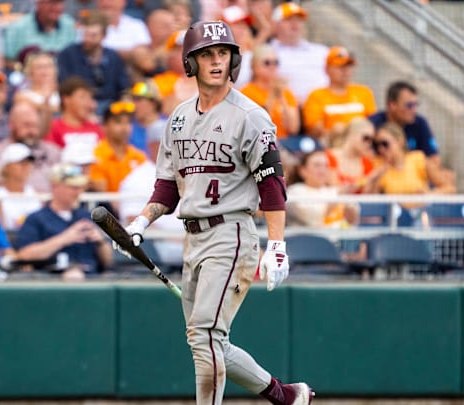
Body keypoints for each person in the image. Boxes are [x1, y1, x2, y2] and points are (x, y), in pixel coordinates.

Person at [114, 21, 313, 405]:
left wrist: (277, 245)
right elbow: (169, 185)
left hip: (231, 233)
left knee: (204, 336)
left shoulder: (251, 116)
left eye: (223, 53)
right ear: (191, 63)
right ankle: (286, 395)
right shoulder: (178, 118)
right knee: (207, 340)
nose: (217, 60)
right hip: (193, 236)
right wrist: (141, 223)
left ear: (234, 59)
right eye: (207, 54)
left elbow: (271, 184)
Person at [14, 163, 113, 276]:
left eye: (81, 187)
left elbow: (108, 262)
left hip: (92, 277)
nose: (78, 192)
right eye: (73, 187)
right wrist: (65, 238)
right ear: (55, 186)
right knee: (74, 275)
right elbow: (24, 255)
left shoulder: (87, 216)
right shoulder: (36, 219)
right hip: (54, 281)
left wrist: (100, 241)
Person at [56, 11, 130, 114]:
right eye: (85, 34)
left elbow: (124, 88)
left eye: (93, 36)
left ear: (103, 36)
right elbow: (65, 87)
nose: (88, 39)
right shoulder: (68, 55)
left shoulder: (113, 57)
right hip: (78, 107)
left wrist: (125, 101)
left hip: (110, 107)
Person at [302, 46, 377, 145]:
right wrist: (335, 132)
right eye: (340, 66)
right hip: (331, 145)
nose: (345, 70)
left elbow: (373, 123)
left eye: (348, 66)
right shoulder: (316, 95)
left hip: (362, 144)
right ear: (327, 70)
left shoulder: (364, 92)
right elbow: (314, 131)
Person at [0, 101, 61, 192]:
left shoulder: (53, 151)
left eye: (35, 126)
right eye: (26, 125)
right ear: (11, 126)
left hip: (48, 203)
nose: (32, 131)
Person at [365, 122, 456, 196]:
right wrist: (375, 177)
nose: (381, 149)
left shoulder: (417, 159)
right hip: (393, 216)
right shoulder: (377, 164)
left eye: (385, 144)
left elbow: (449, 188)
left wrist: (430, 195)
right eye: (377, 145)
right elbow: (371, 198)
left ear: (400, 141)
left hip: (420, 213)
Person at [368, 80, 442, 166]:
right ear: (392, 105)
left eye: (416, 104)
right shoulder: (373, 125)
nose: (414, 110)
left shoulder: (419, 123)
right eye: (409, 105)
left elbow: (434, 159)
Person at [269, 2, 328, 104]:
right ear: (275, 24)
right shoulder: (267, 53)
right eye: (288, 19)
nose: (295, 24)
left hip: (326, 107)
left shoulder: (322, 51)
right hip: (288, 109)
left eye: (299, 20)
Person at [286, 150, 359, 228]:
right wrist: (339, 197)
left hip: (342, 237)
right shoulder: (294, 192)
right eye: (317, 165)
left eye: (326, 166)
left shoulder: (335, 191)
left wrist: (347, 201)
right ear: (303, 171)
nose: (322, 170)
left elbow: (352, 221)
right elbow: (313, 219)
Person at [241, 44, 299, 138]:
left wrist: (281, 98)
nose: (272, 66)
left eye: (276, 62)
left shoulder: (286, 92)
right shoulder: (246, 92)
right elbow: (258, 126)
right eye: (267, 63)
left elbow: (293, 128)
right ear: (254, 67)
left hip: (284, 142)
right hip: (260, 143)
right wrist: (271, 96)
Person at [88, 100, 146, 192]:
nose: (124, 127)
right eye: (118, 122)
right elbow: (102, 189)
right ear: (104, 126)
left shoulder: (139, 157)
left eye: (128, 122)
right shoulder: (95, 156)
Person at [2, 0, 77, 63]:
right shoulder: (18, 27)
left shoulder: (69, 25)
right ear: (38, 3)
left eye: (60, 3)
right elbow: (7, 60)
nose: (56, 7)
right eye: (51, 3)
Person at [0, 143, 42, 230]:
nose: (26, 166)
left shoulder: (39, 196)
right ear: (6, 166)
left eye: (28, 162)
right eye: (20, 162)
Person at [45, 77, 104, 150]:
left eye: (89, 98)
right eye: (82, 97)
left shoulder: (95, 128)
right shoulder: (53, 128)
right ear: (66, 100)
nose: (88, 103)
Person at [324, 116, 379, 192]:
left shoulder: (367, 163)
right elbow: (333, 189)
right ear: (352, 134)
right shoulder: (328, 156)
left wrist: (374, 180)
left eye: (372, 140)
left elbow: (368, 197)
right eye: (366, 138)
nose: (369, 143)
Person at [129, 80, 166, 157]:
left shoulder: (169, 125)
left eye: (138, 100)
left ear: (153, 103)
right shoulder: (128, 129)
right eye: (133, 99)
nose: (133, 104)